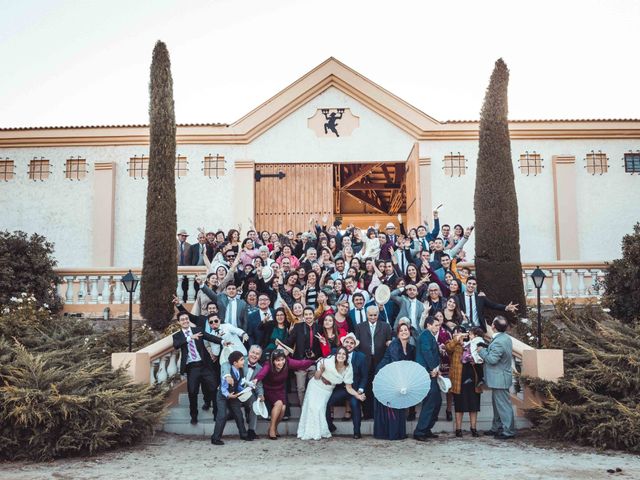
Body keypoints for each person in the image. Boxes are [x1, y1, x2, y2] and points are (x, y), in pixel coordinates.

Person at [297, 346, 364, 440]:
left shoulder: (348, 368)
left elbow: (349, 388)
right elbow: (316, 377)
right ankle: (311, 432)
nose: (341, 355)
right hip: (316, 386)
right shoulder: (328, 361)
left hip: (327, 389)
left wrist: (358, 395)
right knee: (313, 408)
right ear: (336, 355)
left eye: (344, 354)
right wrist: (320, 370)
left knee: (320, 408)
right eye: (339, 353)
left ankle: (320, 431)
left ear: (347, 356)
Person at [172, 312, 223, 425]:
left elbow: (210, 337)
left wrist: (223, 341)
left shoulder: (197, 330)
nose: (185, 321)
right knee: (192, 392)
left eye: (186, 319)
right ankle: (194, 416)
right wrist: (190, 338)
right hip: (192, 367)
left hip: (204, 365)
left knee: (214, 388)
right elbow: (176, 345)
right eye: (182, 319)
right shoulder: (177, 336)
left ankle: (216, 414)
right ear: (179, 322)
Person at [254, 350, 315, 439]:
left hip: (280, 389)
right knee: (279, 404)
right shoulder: (268, 365)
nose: (280, 362)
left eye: (282, 359)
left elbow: (300, 364)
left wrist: (314, 361)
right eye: (277, 360)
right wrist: (256, 379)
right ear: (273, 361)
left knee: (283, 409)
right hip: (269, 389)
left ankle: (274, 427)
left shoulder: (288, 362)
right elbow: (262, 373)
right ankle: (271, 429)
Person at [373, 322, 416, 440]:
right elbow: (396, 363)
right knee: (391, 405)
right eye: (401, 330)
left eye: (406, 330)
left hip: (397, 377)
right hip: (385, 376)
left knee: (399, 403)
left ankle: (399, 432)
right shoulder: (394, 344)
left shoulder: (410, 348)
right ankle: (390, 433)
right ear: (397, 334)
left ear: (409, 332)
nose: (404, 332)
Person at [477, 316, 516, 439]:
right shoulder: (505, 338)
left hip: (500, 378)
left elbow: (492, 359)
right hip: (499, 378)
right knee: (497, 405)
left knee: (503, 406)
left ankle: (508, 431)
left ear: (493, 326)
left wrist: (481, 351)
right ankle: (497, 427)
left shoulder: (499, 340)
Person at [326, 333, 368, 438]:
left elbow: (364, 376)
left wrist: (361, 389)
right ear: (343, 343)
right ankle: (330, 426)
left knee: (355, 405)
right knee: (326, 401)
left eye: (351, 343)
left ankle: (357, 432)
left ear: (355, 345)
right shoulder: (335, 353)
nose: (349, 344)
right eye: (347, 342)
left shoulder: (361, 357)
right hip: (340, 388)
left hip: (354, 389)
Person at [219, 345, 265, 440]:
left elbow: (259, 385)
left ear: (260, 356)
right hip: (234, 390)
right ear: (248, 352)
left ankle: (251, 430)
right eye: (253, 352)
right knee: (228, 412)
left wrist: (261, 394)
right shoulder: (240, 359)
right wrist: (227, 375)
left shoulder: (260, 368)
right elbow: (225, 364)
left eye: (257, 354)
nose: (254, 355)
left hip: (247, 392)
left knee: (255, 403)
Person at [355, 305, 393, 419]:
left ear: (378, 314)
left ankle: (379, 413)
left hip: (380, 361)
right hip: (364, 361)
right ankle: (367, 413)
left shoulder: (386, 326)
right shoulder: (359, 327)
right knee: (366, 386)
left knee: (378, 386)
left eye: (375, 315)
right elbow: (356, 345)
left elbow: (389, 344)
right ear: (366, 315)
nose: (372, 317)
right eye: (370, 315)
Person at [211, 351, 254, 445]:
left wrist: (244, 390)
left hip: (234, 395)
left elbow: (238, 384)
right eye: (242, 360)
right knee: (222, 415)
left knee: (238, 414)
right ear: (235, 363)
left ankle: (243, 434)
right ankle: (215, 438)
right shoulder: (228, 372)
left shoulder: (240, 370)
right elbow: (223, 388)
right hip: (223, 396)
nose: (244, 361)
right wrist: (228, 395)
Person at [446, 331, 482, 437]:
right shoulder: (452, 343)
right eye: (457, 333)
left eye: (462, 333)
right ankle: (458, 429)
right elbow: (448, 349)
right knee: (459, 405)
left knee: (474, 404)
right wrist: (457, 340)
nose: (460, 335)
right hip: (458, 379)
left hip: (473, 377)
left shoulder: (474, 343)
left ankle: (473, 428)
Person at [285, 306, 322, 405]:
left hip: (313, 362)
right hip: (300, 362)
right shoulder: (298, 327)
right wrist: (280, 346)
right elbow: (289, 341)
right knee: (301, 388)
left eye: (310, 314)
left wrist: (316, 354)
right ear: (303, 316)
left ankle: (311, 408)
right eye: (306, 314)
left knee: (314, 388)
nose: (308, 316)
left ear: (313, 315)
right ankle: (303, 409)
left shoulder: (319, 328)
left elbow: (322, 345)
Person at [414, 316, 442, 441]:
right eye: (436, 325)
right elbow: (426, 352)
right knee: (430, 402)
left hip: (432, 372)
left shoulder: (429, 336)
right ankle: (420, 431)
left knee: (437, 402)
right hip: (427, 373)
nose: (438, 327)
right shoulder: (425, 335)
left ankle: (426, 429)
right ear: (428, 325)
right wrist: (433, 369)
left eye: (439, 325)